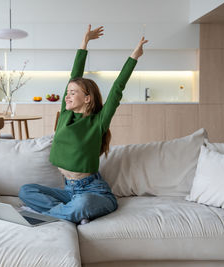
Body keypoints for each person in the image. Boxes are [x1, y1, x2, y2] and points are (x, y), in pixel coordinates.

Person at [19, 25, 148, 224]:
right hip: (68, 190)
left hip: (93, 191)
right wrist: (84, 43)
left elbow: (117, 90)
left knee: (83, 203)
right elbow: (75, 75)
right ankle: (70, 214)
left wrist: (134, 56)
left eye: (73, 93)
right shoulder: (65, 115)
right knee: (26, 191)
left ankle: (59, 214)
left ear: (87, 98)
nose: (67, 96)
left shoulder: (98, 122)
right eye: (67, 92)